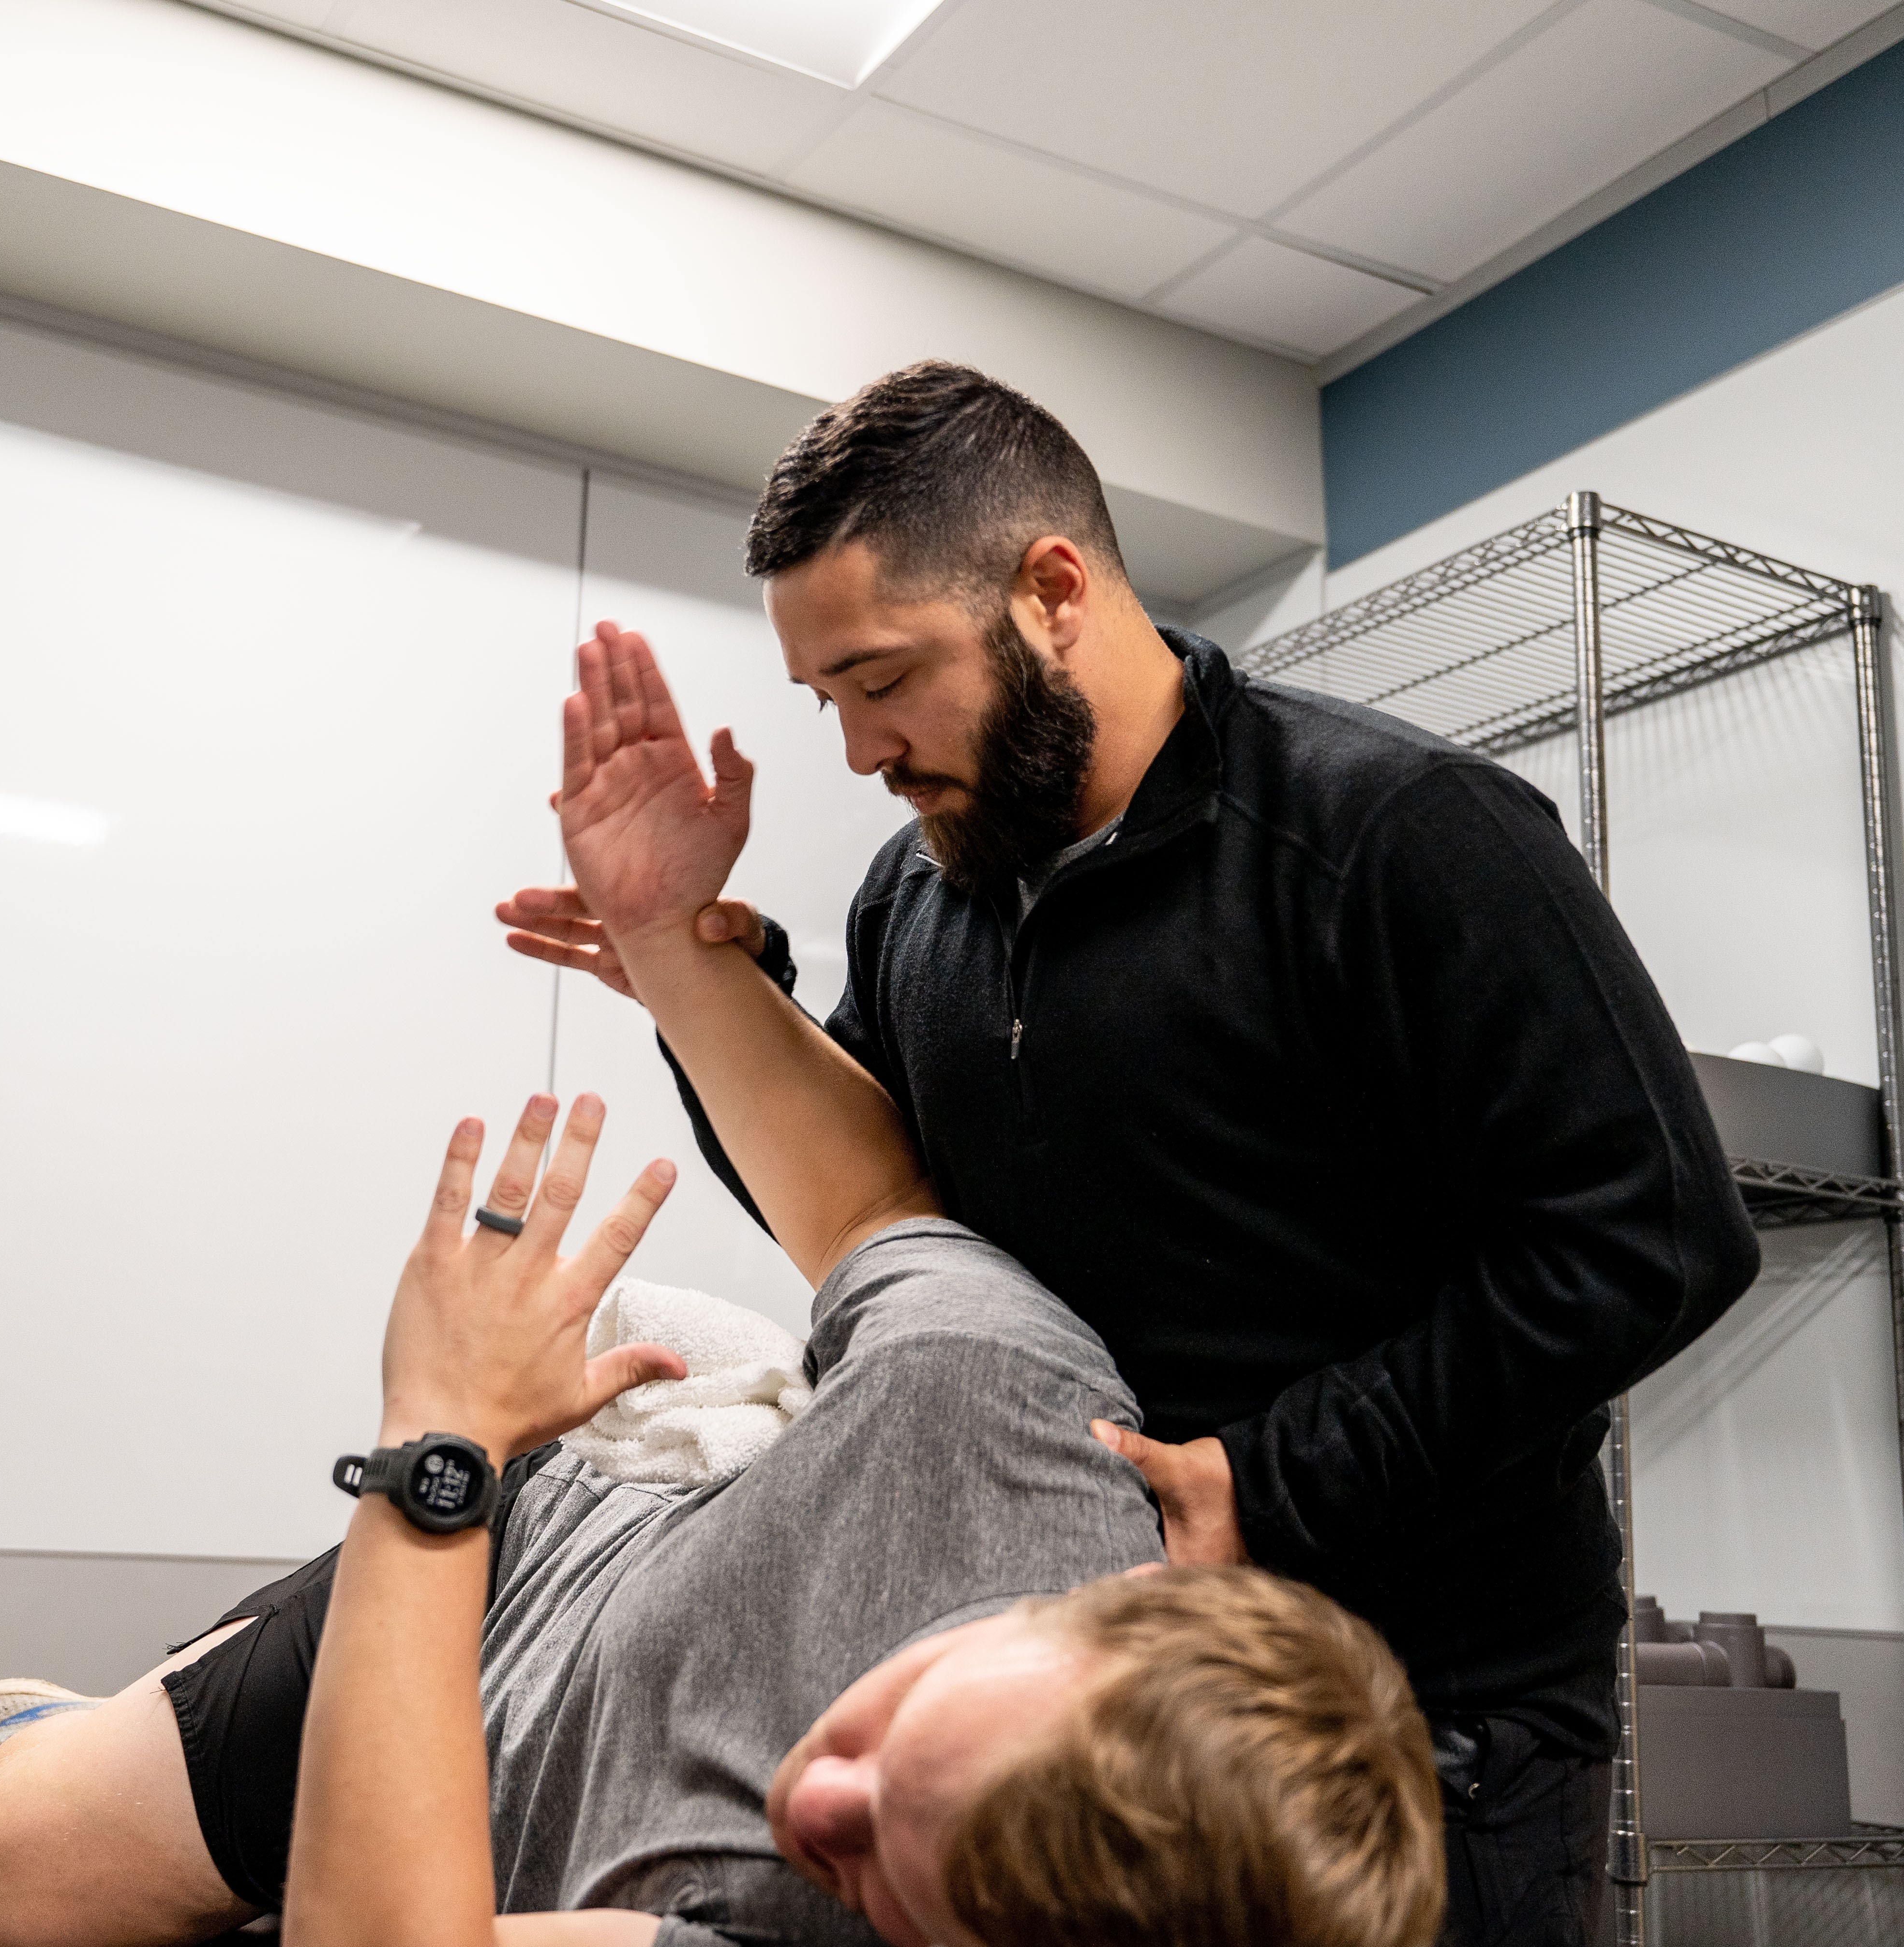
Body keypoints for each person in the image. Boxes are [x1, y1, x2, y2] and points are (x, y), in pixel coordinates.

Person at [499, 361, 1763, 1945]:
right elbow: (890, 1234)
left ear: (1050, 591)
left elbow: (1652, 1237)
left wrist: (1273, 1482)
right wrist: (712, 987)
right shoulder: (924, 901)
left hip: (1433, 1713)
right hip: (1081, 1690)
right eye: (830, 700)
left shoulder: (1398, 837)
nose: (860, 752)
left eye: (886, 680)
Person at [0, 831, 1446, 1947]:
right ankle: (90, 1719)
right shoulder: (1017, 1412)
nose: (811, 1804)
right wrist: (675, 960)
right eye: (881, 1750)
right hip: (540, 1567)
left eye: (880, 1875)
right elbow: (865, 1206)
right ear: (1095, 1610)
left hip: (457, 1633)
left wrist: (435, 1439)